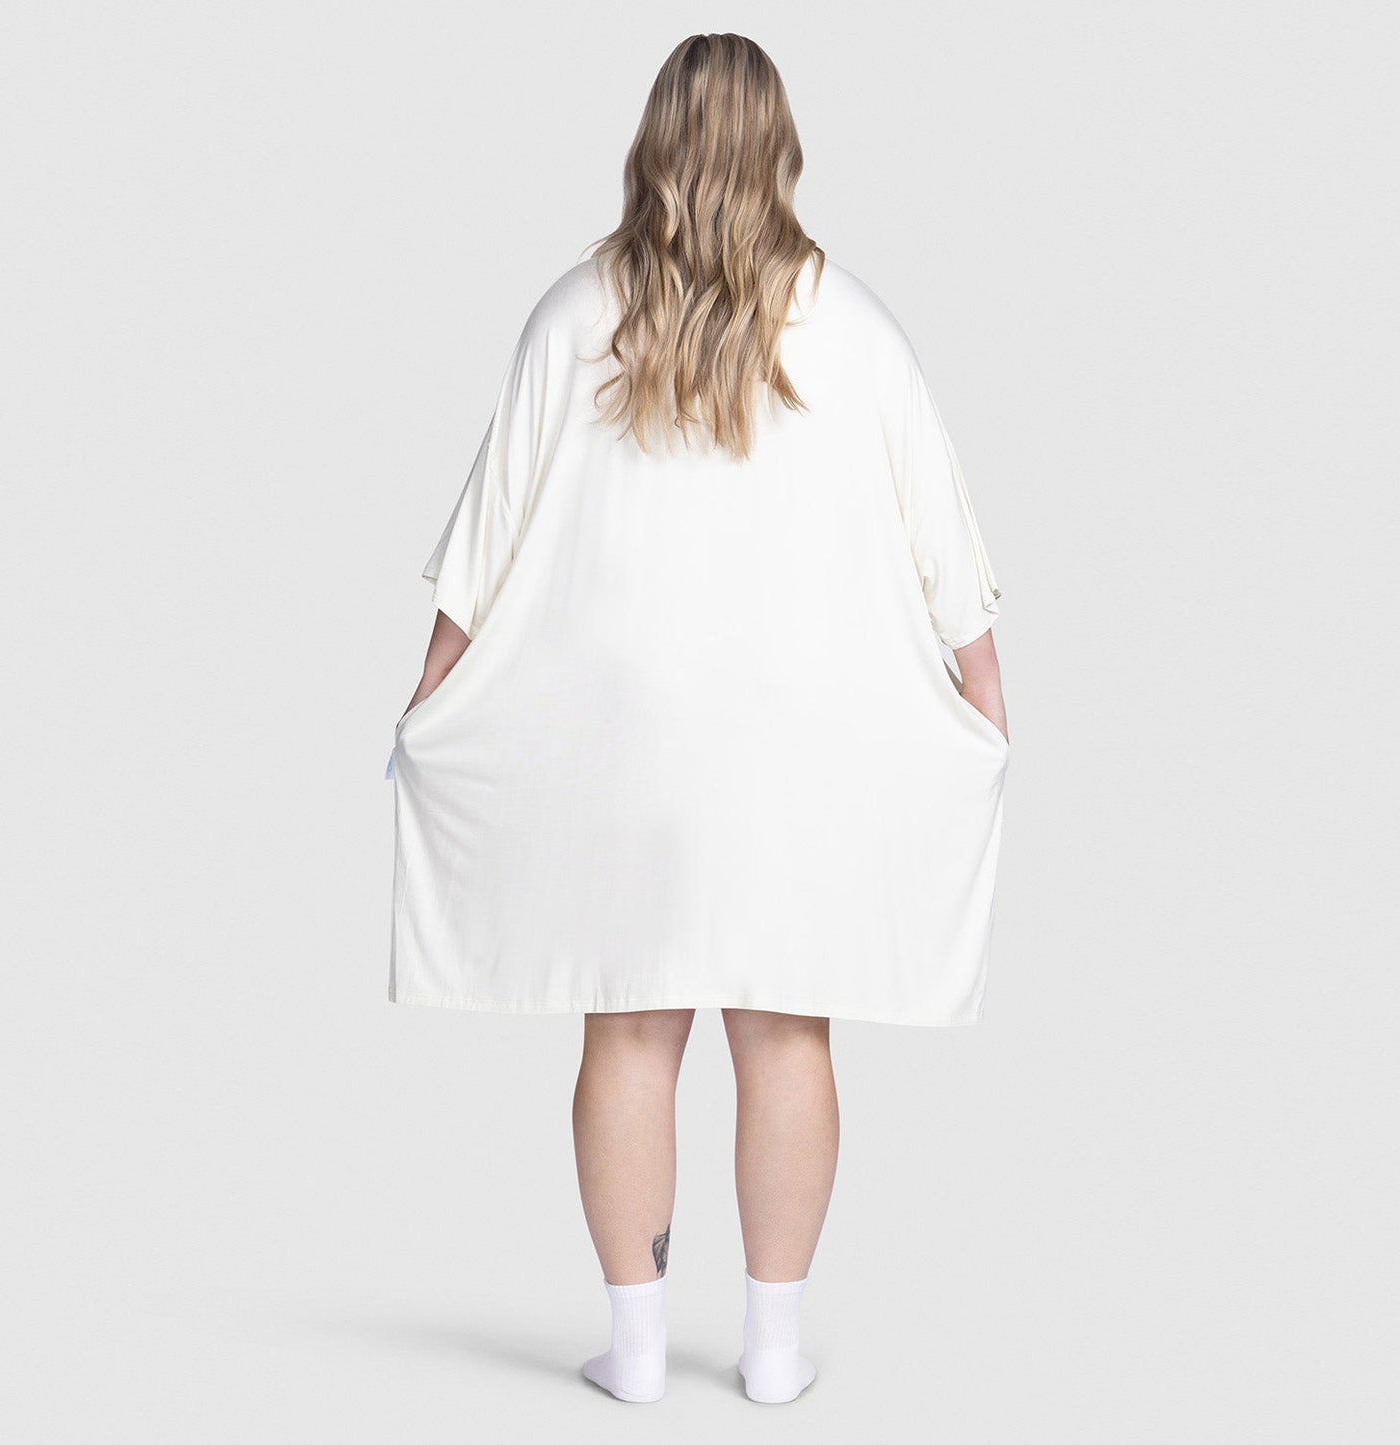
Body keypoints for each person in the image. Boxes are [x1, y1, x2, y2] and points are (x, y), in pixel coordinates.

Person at [388, 33, 1010, 1406]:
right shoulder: (858, 327)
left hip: (622, 744)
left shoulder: (574, 315)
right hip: (804, 744)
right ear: (781, 146)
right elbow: (947, 553)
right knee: (786, 1030)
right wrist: (985, 706)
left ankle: (636, 1348)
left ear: (651, 142)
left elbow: (482, 551)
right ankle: (773, 1351)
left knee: (627, 1028)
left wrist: (428, 704)